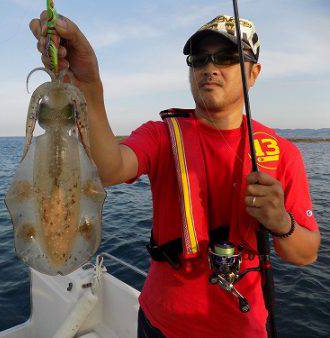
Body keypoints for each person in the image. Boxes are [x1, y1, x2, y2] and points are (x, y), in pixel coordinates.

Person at [30, 12, 321, 338]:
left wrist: (281, 222)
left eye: (226, 57)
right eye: (199, 59)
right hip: (161, 323)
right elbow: (109, 169)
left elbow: (307, 253)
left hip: (244, 328)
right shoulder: (161, 135)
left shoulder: (282, 153)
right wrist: (88, 85)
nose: (210, 67)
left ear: (254, 73)